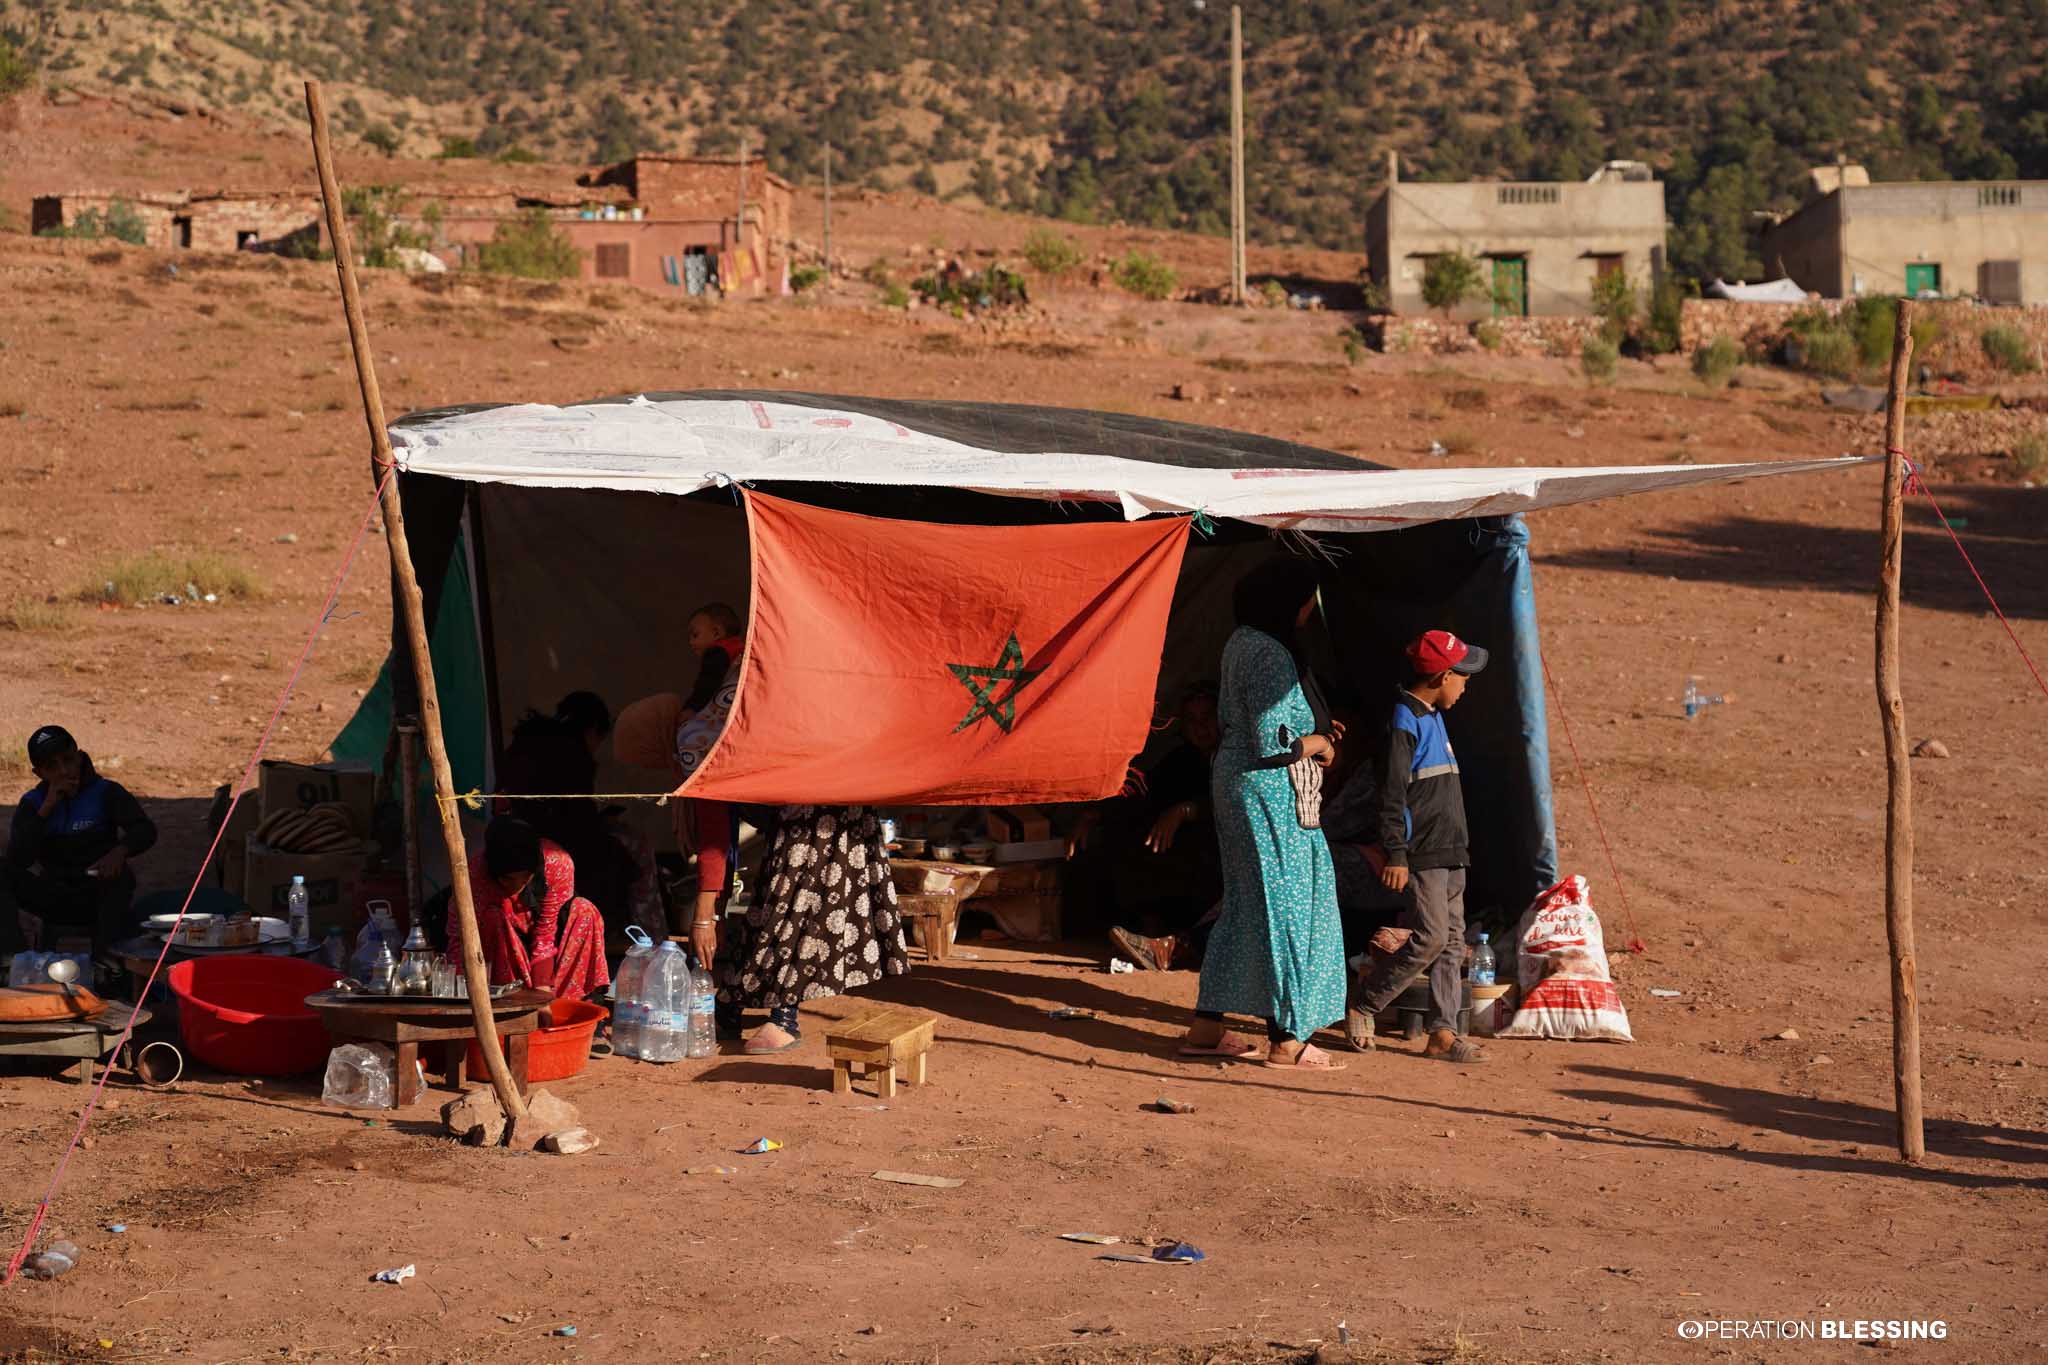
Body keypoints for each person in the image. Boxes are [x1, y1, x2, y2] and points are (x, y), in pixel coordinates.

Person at [1179, 559, 1348, 1070]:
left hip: (1236, 785)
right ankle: (1287, 1039)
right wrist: (1320, 742)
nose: (1306, 613)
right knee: (1290, 905)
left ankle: (1207, 1028)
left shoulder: (1241, 641)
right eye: (1303, 602)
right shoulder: (1271, 652)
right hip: (1269, 792)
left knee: (1247, 904)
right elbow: (1273, 740)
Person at [1348, 629, 1490, 1062]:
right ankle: (1365, 1001)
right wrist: (1396, 852)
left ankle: (1442, 1032)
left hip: (1450, 850)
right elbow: (1392, 795)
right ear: (1443, 676)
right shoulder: (1404, 721)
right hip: (1423, 851)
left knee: (1450, 942)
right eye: (1462, 676)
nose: (1466, 685)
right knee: (1429, 938)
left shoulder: (1432, 714)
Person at [718, 805, 909, 1055]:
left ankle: (783, 1015)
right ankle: (731, 1002)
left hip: (829, 806)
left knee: (802, 907)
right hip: (795, 804)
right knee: (770, 905)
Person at [1069, 684, 1222, 970]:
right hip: (1186, 849)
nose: (1201, 727)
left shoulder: (1236, 755)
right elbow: (1145, 789)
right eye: (1192, 720)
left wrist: (1187, 811)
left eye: (1208, 717)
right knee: (1129, 826)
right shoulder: (1182, 759)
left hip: (1224, 848)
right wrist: (1094, 813)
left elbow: (1237, 801)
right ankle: (1150, 921)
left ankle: (1177, 945)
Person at [497, 690, 644, 938]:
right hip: (557, 844)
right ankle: (638, 936)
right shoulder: (574, 754)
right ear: (593, 729)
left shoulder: (526, 740)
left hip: (515, 837)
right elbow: (578, 820)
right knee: (633, 852)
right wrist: (602, 823)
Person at [6, 725, 156, 962]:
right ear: (39, 773)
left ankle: (106, 967)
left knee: (122, 877)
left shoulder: (106, 792)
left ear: (79, 756)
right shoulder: (33, 803)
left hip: (98, 894)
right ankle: (12, 962)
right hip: (53, 895)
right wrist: (46, 810)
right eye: (52, 766)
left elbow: (145, 830)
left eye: (68, 760)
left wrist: (120, 851)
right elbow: (18, 859)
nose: (64, 771)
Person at [444, 818, 609, 1003]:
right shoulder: (474, 875)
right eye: (507, 879)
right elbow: (459, 937)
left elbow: (545, 933)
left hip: (548, 936)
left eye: (524, 879)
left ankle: (565, 1004)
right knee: (492, 917)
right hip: (505, 943)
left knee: (585, 911)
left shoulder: (557, 863)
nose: (515, 886)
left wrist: (542, 994)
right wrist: (460, 991)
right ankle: (509, 1003)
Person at [674, 603, 746, 969]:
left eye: (695, 633)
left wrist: (689, 711)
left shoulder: (721, 655)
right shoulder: (742, 655)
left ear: (718, 633)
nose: (691, 642)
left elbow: (705, 687)